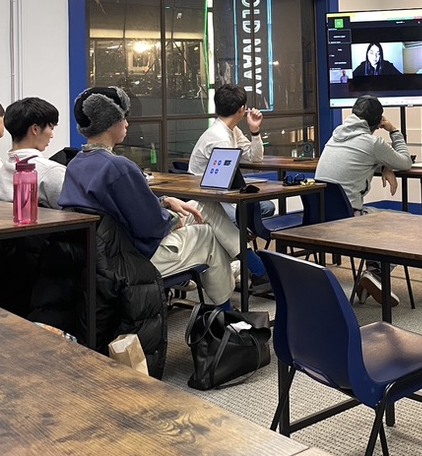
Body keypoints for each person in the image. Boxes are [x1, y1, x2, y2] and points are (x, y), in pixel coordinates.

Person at [58, 86, 236, 307]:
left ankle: (245, 260)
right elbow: (152, 226)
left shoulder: (75, 164)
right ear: (110, 122)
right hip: (135, 256)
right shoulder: (119, 167)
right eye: (123, 118)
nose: (127, 124)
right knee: (206, 234)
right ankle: (227, 309)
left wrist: (164, 202)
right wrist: (172, 219)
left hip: (101, 255)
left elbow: (117, 210)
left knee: (203, 207)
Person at [314, 94, 413, 305]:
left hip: (319, 219)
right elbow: (405, 162)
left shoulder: (335, 136)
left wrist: (384, 165)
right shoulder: (373, 142)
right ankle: (375, 273)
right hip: (348, 220)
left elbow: (355, 161)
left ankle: (371, 276)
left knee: (377, 218)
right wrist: (394, 131)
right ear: (377, 123)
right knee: (405, 222)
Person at [189, 83, 274, 220]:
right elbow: (224, 182)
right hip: (209, 196)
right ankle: (239, 232)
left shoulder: (232, 130)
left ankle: (243, 229)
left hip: (222, 191)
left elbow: (255, 158)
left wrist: (254, 131)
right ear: (241, 109)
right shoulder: (219, 138)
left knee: (267, 207)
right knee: (240, 217)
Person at [0, 97, 65, 208]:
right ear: (35, 129)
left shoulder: (5, 168)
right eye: (51, 127)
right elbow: (72, 213)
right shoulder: (51, 171)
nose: (51, 135)